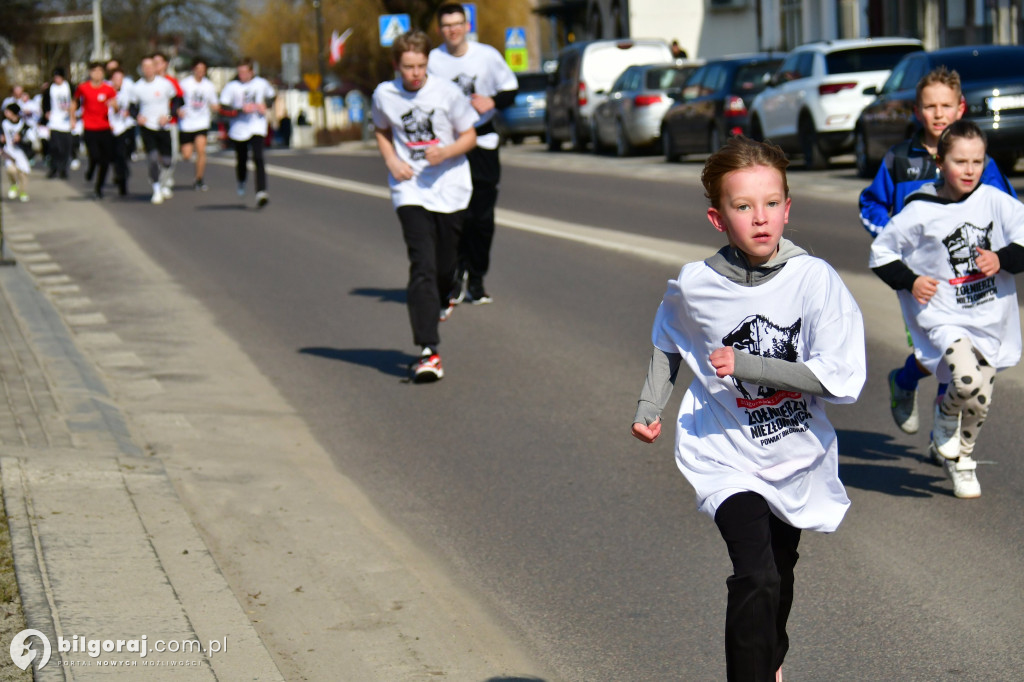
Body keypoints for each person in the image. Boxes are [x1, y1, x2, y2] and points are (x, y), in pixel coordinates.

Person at [631, 136, 866, 681]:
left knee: (779, 575)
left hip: (793, 452)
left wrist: (749, 365)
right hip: (721, 449)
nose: (760, 219)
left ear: (788, 208)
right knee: (756, 575)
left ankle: (768, 659)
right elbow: (669, 338)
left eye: (770, 204)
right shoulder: (697, 284)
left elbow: (839, 378)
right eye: (743, 207)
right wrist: (650, 404)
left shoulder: (815, 280)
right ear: (718, 218)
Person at [858, 67, 1017, 437]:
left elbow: (1004, 210)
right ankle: (905, 380)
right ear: (916, 111)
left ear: (961, 108)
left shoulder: (979, 161)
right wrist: (899, 243)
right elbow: (872, 205)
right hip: (920, 279)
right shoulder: (900, 159)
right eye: (930, 106)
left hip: (966, 276)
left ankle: (941, 431)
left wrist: (997, 253)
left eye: (946, 105)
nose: (939, 113)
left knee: (962, 352)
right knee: (937, 351)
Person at [870, 120, 1024, 498]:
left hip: (988, 315)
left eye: (976, 161)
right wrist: (911, 280)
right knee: (966, 381)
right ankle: (944, 417)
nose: (969, 170)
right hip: (943, 314)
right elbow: (881, 253)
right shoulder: (921, 209)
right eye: (960, 161)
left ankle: (964, 460)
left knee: (982, 400)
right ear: (940, 162)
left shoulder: (995, 201)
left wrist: (1001, 259)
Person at [371, 29, 478, 382]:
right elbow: (382, 129)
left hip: (450, 187)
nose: (415, 73)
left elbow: (470, 135)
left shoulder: (446, 93)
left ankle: (450, 289)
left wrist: (445, 151)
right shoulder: (385, 95)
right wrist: (390, 160)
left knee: (445, 266)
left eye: (420, 65)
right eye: (408, 67)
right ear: (396, 65)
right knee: (422, 265)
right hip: (410, 187)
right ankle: (428, 351)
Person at [428, 2, 518, 305]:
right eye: (446, 26)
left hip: (482, 142)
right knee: (454, 215)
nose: (452, 30)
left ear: (467, 26)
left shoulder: (487, 56)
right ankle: (456, 276)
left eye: (457, 24)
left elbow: (510, 91)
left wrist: (492, 101)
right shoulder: (433, 61)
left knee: (481, 218)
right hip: (451, 145)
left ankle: (476, 278)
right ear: (440, 30)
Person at [219, 57, 276, 208]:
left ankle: (261, 192)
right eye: (240, 72)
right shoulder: (232, 86)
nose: (242, 75)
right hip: (239, 128)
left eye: (245, 72)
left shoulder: (261, 83)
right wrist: (239, 110)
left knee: (258, 157)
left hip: (257, 125)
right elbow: (223, 108)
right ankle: (241, 180)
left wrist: (265, 105)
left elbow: (272, 97)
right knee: (242, 159)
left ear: (252, 72)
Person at [130, 55, 181, 205]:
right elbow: (132, 108)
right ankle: (156, 188)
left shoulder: (165, 84)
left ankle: (164, 182)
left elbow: (177, 101)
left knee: (167, 160)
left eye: (150, 66)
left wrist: (169, 116)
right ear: (141, 69)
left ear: (154, 67)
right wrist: (137, 117)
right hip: (147, 127)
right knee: (152, 158)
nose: (147, 69)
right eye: (144, 67)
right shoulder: (137, 87)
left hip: (163, 126)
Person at [73, 62, 118, 199]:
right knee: (95, 155)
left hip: (105, 127)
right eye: (94, 71)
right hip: (89, 127)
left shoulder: (108, 89)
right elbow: (74, 101)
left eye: (100, 71)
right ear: (90, 73)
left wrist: (114, 106)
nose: (97, 74)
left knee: (105, 160)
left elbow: (116, 106)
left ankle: (99, 187)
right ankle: (91, 169)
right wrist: (72, 118)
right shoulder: (83, 87)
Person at [177, 58, 218, 191]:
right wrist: (177, 111)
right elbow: (176, 101)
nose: (200, 72)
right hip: (187, 123)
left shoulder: (209, 86)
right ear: (193, 69)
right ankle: (190, 156)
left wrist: (218, 108)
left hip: (202, 122)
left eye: (203, 70)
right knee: (187, 155)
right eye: (198, 69)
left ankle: (199, 179)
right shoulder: (185, 84)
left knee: (201, 150)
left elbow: (214, 103)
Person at [42, 67, 74, 179]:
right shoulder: (51, 88)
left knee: (66, 147)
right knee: (55, 147)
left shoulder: (69, 87)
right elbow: (45, 102)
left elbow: (76, 101)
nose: (57, 79)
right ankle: (54, 167)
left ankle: (63, 169)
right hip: (54, 121)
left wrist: (73, 113)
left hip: (66, 122)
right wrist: (46, 112)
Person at [108, 69, 134, 197]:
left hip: (122, 128)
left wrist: (129, 113)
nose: (118, 82)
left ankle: (122, 183)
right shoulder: (106, 92)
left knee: (121, 155)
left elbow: (131, 109)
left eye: (121, 79)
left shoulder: (126, 93)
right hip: (108, 128)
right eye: (116, 79)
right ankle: (117, 175)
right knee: (111, 156)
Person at [2, 103, 31, 201]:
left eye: (8, 111)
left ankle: (23, 191)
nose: (5, 113)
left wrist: (21, 138)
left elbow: (29, 139)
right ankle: (14, 184)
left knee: (23, 172)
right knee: (11, 170)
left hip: (20, 152)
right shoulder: (4, 123)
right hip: (9, 151)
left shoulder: (23, 125)